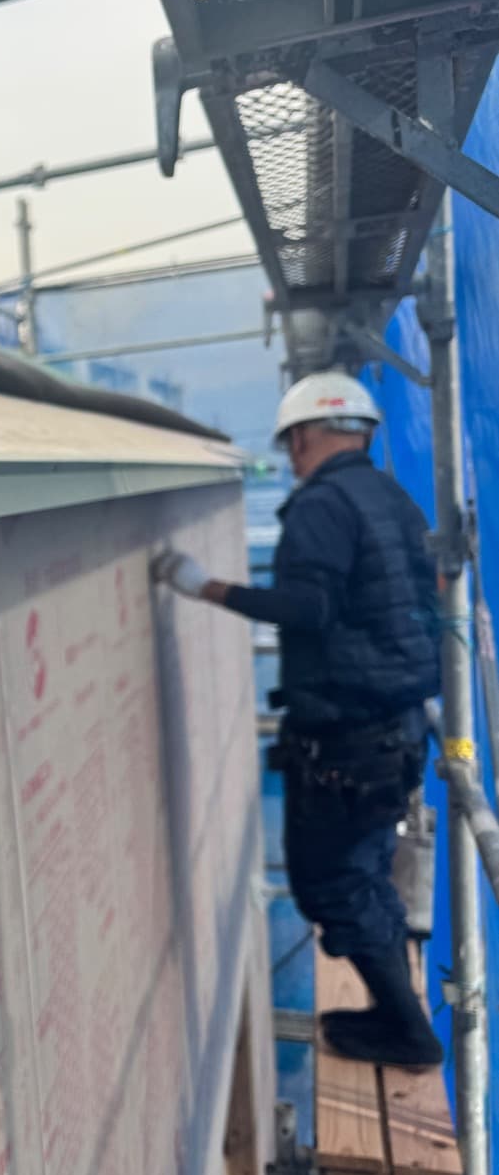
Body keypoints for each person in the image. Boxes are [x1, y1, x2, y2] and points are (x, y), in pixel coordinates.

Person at [152, 371, 443, 1069]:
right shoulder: (391, 498)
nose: (290, 457)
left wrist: (204, 587)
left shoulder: (322, 504)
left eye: (290, 444)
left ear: (305, 435)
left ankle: (406, 1031)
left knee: (331, 882)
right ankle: (397, 1014)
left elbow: (306, 609)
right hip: (394, 728)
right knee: (364, 872)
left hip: (348, 736)